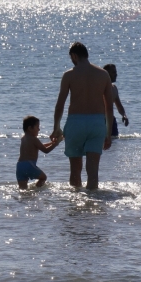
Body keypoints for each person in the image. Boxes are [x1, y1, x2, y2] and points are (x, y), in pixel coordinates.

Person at [51, 42, 113, 190]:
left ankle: (77, 204)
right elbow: (109, 108)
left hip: (75, 122)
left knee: (75, 169)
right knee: (93, 171)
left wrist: (56, 127)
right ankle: (92, 203)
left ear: (74, 56)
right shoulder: (103, 74)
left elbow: (60, 104)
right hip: (97, 123)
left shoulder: (69, 75)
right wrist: (108, 133)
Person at [17, 116, 63, 189]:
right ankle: (36, 190)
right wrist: (56, 143)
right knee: (43, 177)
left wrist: (51, 143)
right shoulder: (34, 139)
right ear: (30, 128)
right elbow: (45, 150)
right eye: (37, 127)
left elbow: (39, 146)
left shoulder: (24, 138)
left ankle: (24, 199)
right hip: (29, 165)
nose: (39, 129)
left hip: (19, 166)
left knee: (23, 189)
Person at [102, 64, 129, 137]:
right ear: (106, 73)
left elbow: (119, 106)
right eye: (113, 72)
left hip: (111, 120)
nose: (116, 74)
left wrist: (124, 115)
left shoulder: (114, 88)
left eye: (116, 72)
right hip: (99, 120)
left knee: (114, 141)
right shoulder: (98, 87)